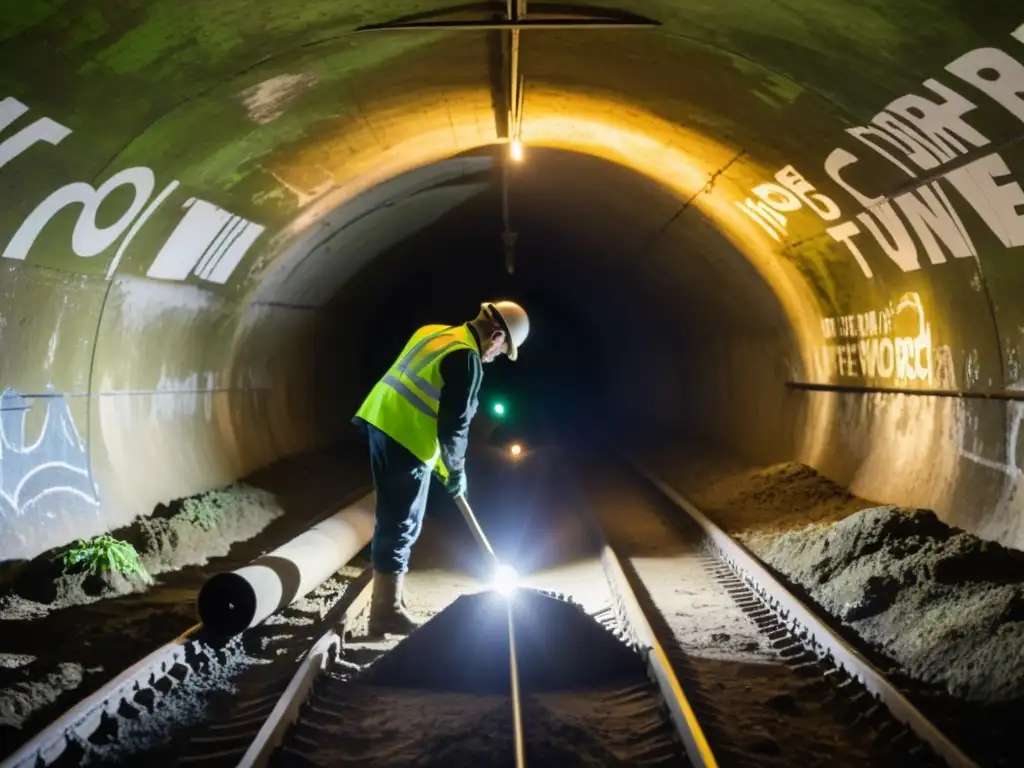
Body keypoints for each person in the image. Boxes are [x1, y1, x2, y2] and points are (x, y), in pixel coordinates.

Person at [352, 300, 530, 635]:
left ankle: (391, 603)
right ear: (495, 335)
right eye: (502, 349)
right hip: (406, 438)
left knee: (397, 517)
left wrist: (445, 468)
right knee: (402, 521)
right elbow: (455, 427)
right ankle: (385, 612)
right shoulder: (466, 359)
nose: (497, 356)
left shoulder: (433, 332)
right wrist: (456, 472)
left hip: (380, 421)